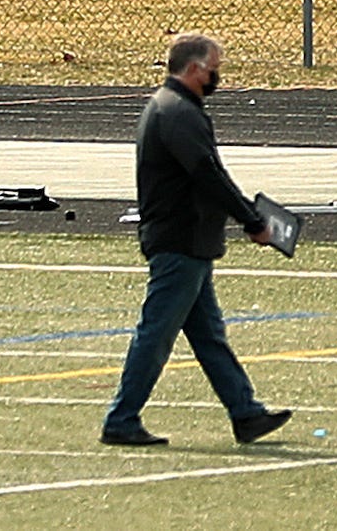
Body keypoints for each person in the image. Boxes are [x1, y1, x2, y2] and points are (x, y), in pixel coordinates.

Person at [101, 33, 294, 448]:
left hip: (189, 240)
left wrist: (250, 214)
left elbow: (210, 175)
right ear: (192, 69)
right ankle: (121, 418)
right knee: (156, 334)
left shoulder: (175, 109)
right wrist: (251, 220)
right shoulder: (178, 114)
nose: (216, 77)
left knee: (208, 335)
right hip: (179, 240)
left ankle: (245, 413)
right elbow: (207, 176)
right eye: (213, 69)